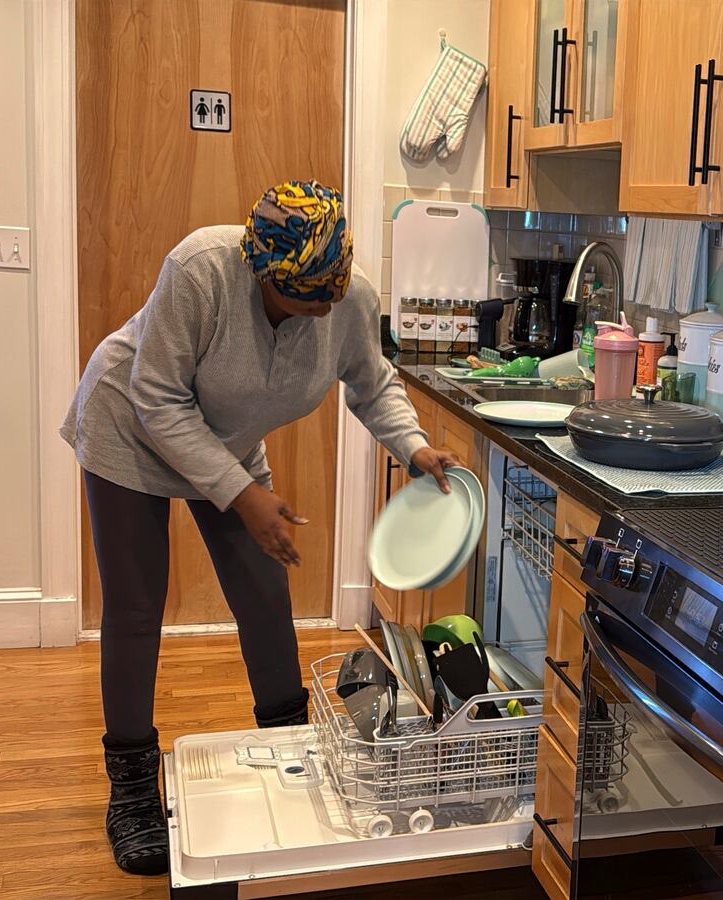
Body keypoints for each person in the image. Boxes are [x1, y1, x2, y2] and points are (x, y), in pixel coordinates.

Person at [60, 181, 458, 876]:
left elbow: (372, 381)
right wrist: (242, 495)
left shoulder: (345, 295)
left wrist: (415, 448)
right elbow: (156, 396)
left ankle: (292, 750)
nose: (322, 314)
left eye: (331, 296)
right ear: (265, 273)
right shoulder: (201, 270)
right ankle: (130, 792)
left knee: (265, 595)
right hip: (129, 424)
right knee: (134, 608)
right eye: (308, 300)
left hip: (229, 441)